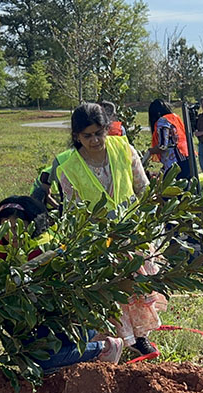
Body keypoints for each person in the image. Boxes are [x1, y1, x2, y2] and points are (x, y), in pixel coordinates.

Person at [55, 102, 164, 357]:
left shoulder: (123, 150)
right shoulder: (69, 168)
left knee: (136, 289)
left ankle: (140, 338)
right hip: (99, 241)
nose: (94, 140)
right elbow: (73, 212)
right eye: (87, 136)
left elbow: (142, 187)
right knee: (112, 292)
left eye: (98, 133)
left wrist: (149, 219)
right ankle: (117, 339)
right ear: (76, 136)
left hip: (131, 234)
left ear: (106, 129)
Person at [0, 195, 123, 367]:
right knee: (26, 356)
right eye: (5, 228)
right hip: (41, 321)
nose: (11, 234)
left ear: (32, 224)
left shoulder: (44, 248)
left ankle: (104, 348)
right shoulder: (7, 248)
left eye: (17, 227)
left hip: (65, 321)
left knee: (41, 359)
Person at [146, 99, 191, 180]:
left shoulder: (162, 121)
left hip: (175, 163)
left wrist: (150, 151)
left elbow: (163, 145)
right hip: (187, 157)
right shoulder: (175, 117)